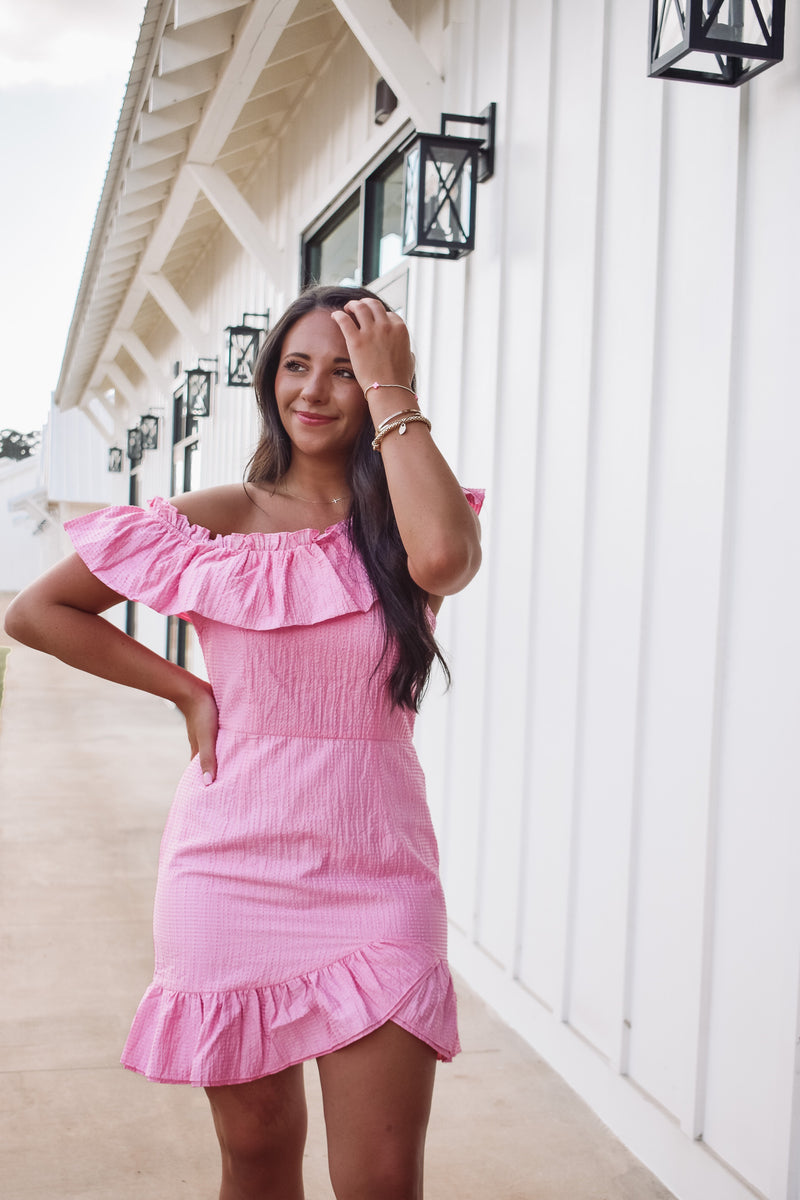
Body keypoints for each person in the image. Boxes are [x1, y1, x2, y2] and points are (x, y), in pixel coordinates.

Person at [4, 284, 483, 1200]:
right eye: (296, 366)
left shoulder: (408, 516)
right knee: (257, 1158)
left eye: (344, 371)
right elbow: (38, 611)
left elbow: (446, 563)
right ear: (268, 381)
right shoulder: (219, 515)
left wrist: (394, 391)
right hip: (229, 870)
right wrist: (186, 689)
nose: (315, 391)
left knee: (382, 1180)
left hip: (378, 873)